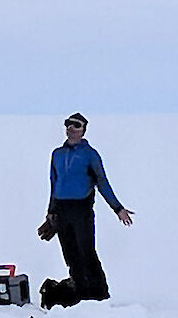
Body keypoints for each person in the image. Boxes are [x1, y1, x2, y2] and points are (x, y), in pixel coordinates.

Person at [39, 112, 133, 308]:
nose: (70, 128)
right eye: (68, 124)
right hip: (61, 210)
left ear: (83, 130)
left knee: (86, 251)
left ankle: (100, 295)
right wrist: (51, 211)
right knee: (70, 254)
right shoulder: (57, 154)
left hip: (82, 210)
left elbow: (102, 182)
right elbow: (54, 183)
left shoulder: (90, 155)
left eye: (76, 125)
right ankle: (80, 293)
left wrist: (118, 208)